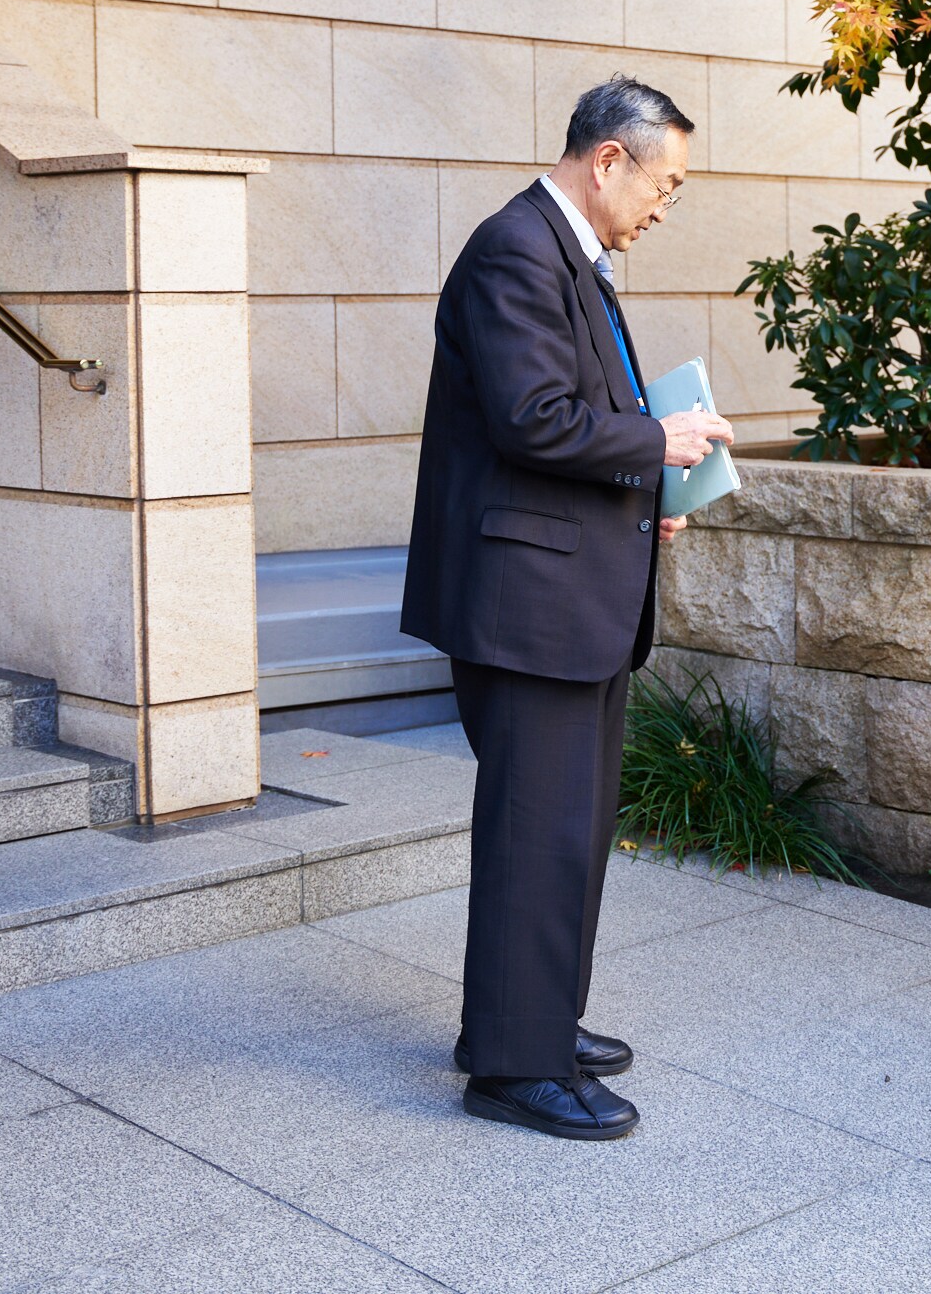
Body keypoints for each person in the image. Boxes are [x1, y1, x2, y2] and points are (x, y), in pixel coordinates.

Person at [401, 75, 732, 1142]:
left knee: (570, 832)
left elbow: (581, 417)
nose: (662, 209)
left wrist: (652, 487)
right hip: (526, 607)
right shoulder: (515, 250)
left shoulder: (569, 257)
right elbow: (536, 419)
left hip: (570, 596)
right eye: (663, 187)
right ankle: (511, 1065)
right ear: (608, 161)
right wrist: (659, 446)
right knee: (535, 834)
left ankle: (531, 1019)